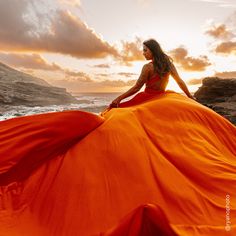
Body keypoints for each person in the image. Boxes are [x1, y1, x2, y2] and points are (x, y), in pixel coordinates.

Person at [109, 39, 194, 108]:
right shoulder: (169, 65)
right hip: (162, 99)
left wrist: (118, 99)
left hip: (148, 100)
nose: (143, 53)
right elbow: (179, 81)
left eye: (145, 50)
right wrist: (189, 96)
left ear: (153, 51)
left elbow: (136, 88)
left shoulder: (147, 67)